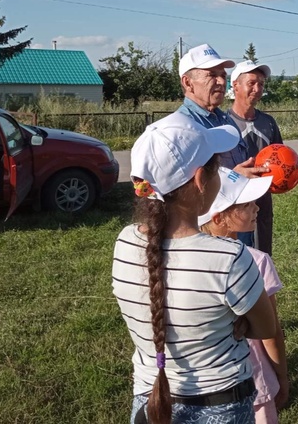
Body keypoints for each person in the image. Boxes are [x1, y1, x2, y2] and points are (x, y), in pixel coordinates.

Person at [111, 112, 276, 424]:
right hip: (222, 404)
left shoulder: (124, 242)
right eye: (218, 169)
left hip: (149, 401)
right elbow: (266, 328)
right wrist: (233, 323)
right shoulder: (230, 258)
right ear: (201, 180)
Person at [199, 167, 289, 424]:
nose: (257, 208)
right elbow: (271, 332)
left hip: (203, 383)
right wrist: (281, 375)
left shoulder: (185, 260)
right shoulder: (258, 261)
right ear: (220, 218)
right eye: (248, 204)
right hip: (253, 378)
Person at [177, 44, 268, 182]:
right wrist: (233, 178)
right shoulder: (182, 128)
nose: (221, 82)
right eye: (212, 75)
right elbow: (182, 191)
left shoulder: (225, 120)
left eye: (223, 75)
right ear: (188, 82)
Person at [228, 59, 283, 255]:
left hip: (262, 200)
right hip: (233, 202)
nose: (257, 88)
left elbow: (282, 161)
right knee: (237, 256)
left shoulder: (268, 122)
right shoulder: (223, 123)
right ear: (235, 85)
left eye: (261, 83)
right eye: (251, 82)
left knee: (262, 255)